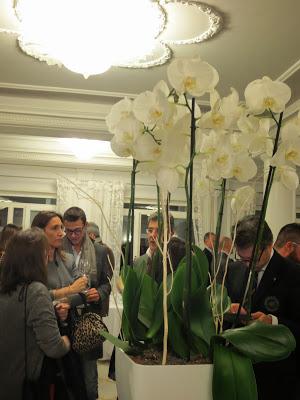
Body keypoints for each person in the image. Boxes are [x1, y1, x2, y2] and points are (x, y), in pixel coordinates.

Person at [226, 215, 300, 400]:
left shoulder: (293, 274)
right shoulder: (235, 270)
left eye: (251, 259)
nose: (247, 265)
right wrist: (228, 311)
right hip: (239, 373)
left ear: (269, 245)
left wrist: (273, 322)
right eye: (242, 258)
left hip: (278, 379)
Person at [0, 228, 70, 400]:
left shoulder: (5, 287)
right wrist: (66, 341)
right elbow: (54, 347)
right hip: (27, 384)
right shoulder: (36, 291)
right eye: (45, 253)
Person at [62, 207, 112, 400]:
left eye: (77, 230)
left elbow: (106, 283)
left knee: (90, 379)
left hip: (89, 320)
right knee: (67, 375)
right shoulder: (57, 249)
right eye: (69, 231)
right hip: (64, 319)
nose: (73, 235)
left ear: (85, 226)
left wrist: (98, 293)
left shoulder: (100, 251)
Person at [133, 211, 185, 282]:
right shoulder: (138, 262)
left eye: (158, 231)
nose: (152, 235)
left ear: (170, 234)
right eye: (150, 230)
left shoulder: (178, 261)